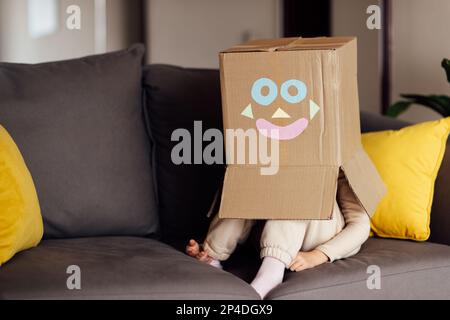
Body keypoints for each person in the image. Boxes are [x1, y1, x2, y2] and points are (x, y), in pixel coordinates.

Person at [186, 170, 370, 299]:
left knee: (299, 179)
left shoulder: (340, 160)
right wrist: (213, 246)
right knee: (249, 183)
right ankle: (212, 256)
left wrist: (319, 255)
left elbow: (360, 226)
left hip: (319, 230)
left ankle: (270, 274)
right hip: (266, 233)